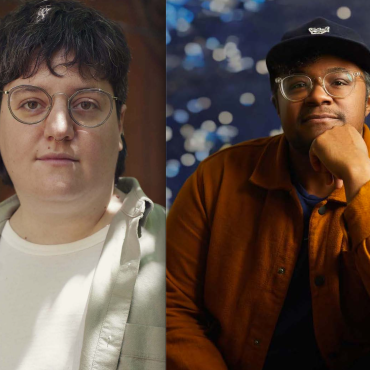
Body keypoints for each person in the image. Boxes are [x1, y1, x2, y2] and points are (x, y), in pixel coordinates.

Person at [166, 17, 370, 370]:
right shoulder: (216, 177)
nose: (319, 95)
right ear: (277, 104)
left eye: (339, 82)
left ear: (367, 102)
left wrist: (359, 181)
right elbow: (168, 304)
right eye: (297, 84)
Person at [0, 1, 165, 369]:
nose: (59, 128)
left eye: (86, 104)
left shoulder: (184, 252)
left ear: (119, 126)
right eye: (30, 103)